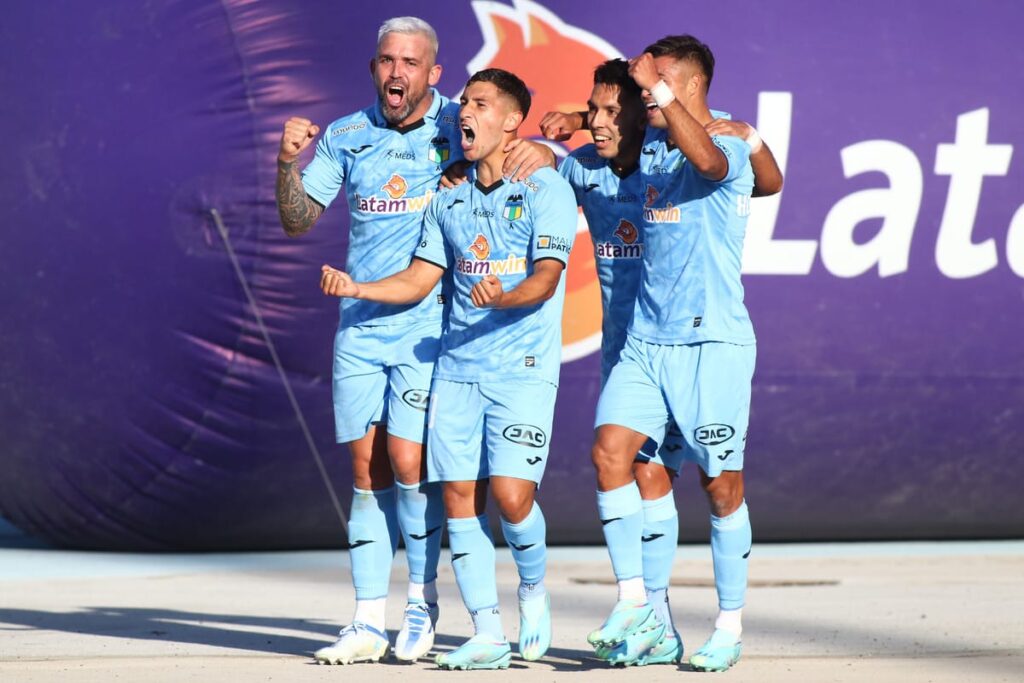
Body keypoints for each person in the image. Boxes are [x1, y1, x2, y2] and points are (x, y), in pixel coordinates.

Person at [275, 17, 553, 665]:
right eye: (386, 61)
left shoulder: (461, 121)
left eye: (411, 62)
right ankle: (367, 620)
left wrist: (541, 147)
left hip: (430, 328)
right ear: (373, 68)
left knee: (411, 466)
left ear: (435, 72)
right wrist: (288, 164)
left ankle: (421, 603)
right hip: (361, 327)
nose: (396, 72)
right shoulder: (346, 134)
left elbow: (518, 144)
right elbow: (297, 219)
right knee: (365, 473)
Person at [554, 54, 781, 668]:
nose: (649, 95)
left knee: (719, 485)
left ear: (693, 85)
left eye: (662, 84)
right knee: (612, 455)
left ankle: (729, 628)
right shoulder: (650, 138)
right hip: (645, 344)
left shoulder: (726, 141)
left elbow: (718, 164)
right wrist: (582, 119)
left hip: (712, 345)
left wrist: (752, 136)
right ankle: (641, 607)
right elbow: (621, 130)